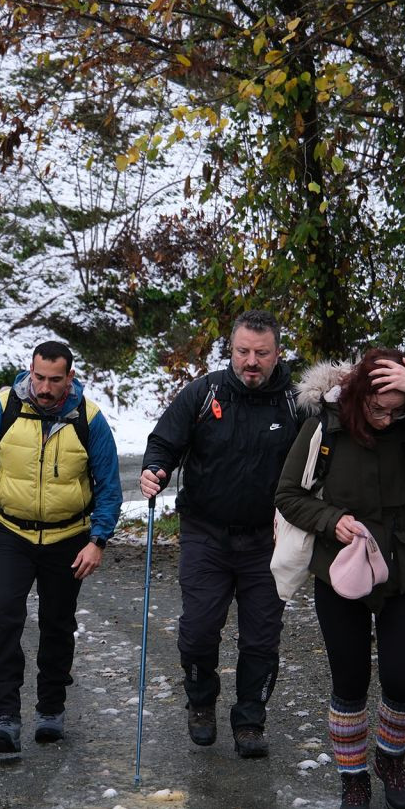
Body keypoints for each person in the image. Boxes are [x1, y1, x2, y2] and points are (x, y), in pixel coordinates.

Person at [274, 349, 405, 809]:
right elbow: (287, 494)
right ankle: (353, 779)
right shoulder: (325, 426)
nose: (386, 419)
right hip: (341, 569)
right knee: (350, 681)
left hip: (402, 567)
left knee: (402, 681)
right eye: (377, 409)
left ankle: (391, 759)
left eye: (395, 408)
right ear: (359, 395)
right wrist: (331, 519)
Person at [139, 310, 305, 758]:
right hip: (206, 534)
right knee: (197, 630)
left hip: (267, 541)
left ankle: (250, 720)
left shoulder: (295, 403)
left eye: (261, 353)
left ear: (277, 353)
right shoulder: (204, 392)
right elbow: (164, 441)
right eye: (243, 352)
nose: (251, 361)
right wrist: (155, 469)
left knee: (261, 637)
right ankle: (200, 703)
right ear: (231, 350)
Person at [0, 340, 122, 753]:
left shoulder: (89, 420)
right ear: (31, 370)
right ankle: (4, 716)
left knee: (57, 623)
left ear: (70, 378)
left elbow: (109, 488)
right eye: (38, 377)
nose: (43, 388)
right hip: (11, 533)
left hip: (68, 538)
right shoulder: (5, 407)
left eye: (54, 380)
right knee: (3, 617)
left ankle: (51, 709)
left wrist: (97, 540)